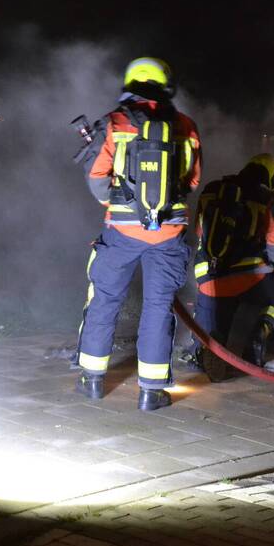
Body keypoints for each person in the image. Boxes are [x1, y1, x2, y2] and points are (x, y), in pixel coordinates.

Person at [75, 57, 202, 411]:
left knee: (105, 300)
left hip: (121, 230)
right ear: (166, 85)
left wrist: (120, 202)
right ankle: (151, 391)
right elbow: (192, 180)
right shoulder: (186, 126)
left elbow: (97, 178)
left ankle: (91, 380)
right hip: (168, 232)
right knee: (159, 307)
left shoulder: (115, 122)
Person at [190, 153, 274, 380]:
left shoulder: (212, 190)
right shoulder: (266, 199)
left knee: (213, 329)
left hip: (209, 279)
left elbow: (200, 233)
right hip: (250, 280)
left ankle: (206, 349)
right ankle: (260, 334)